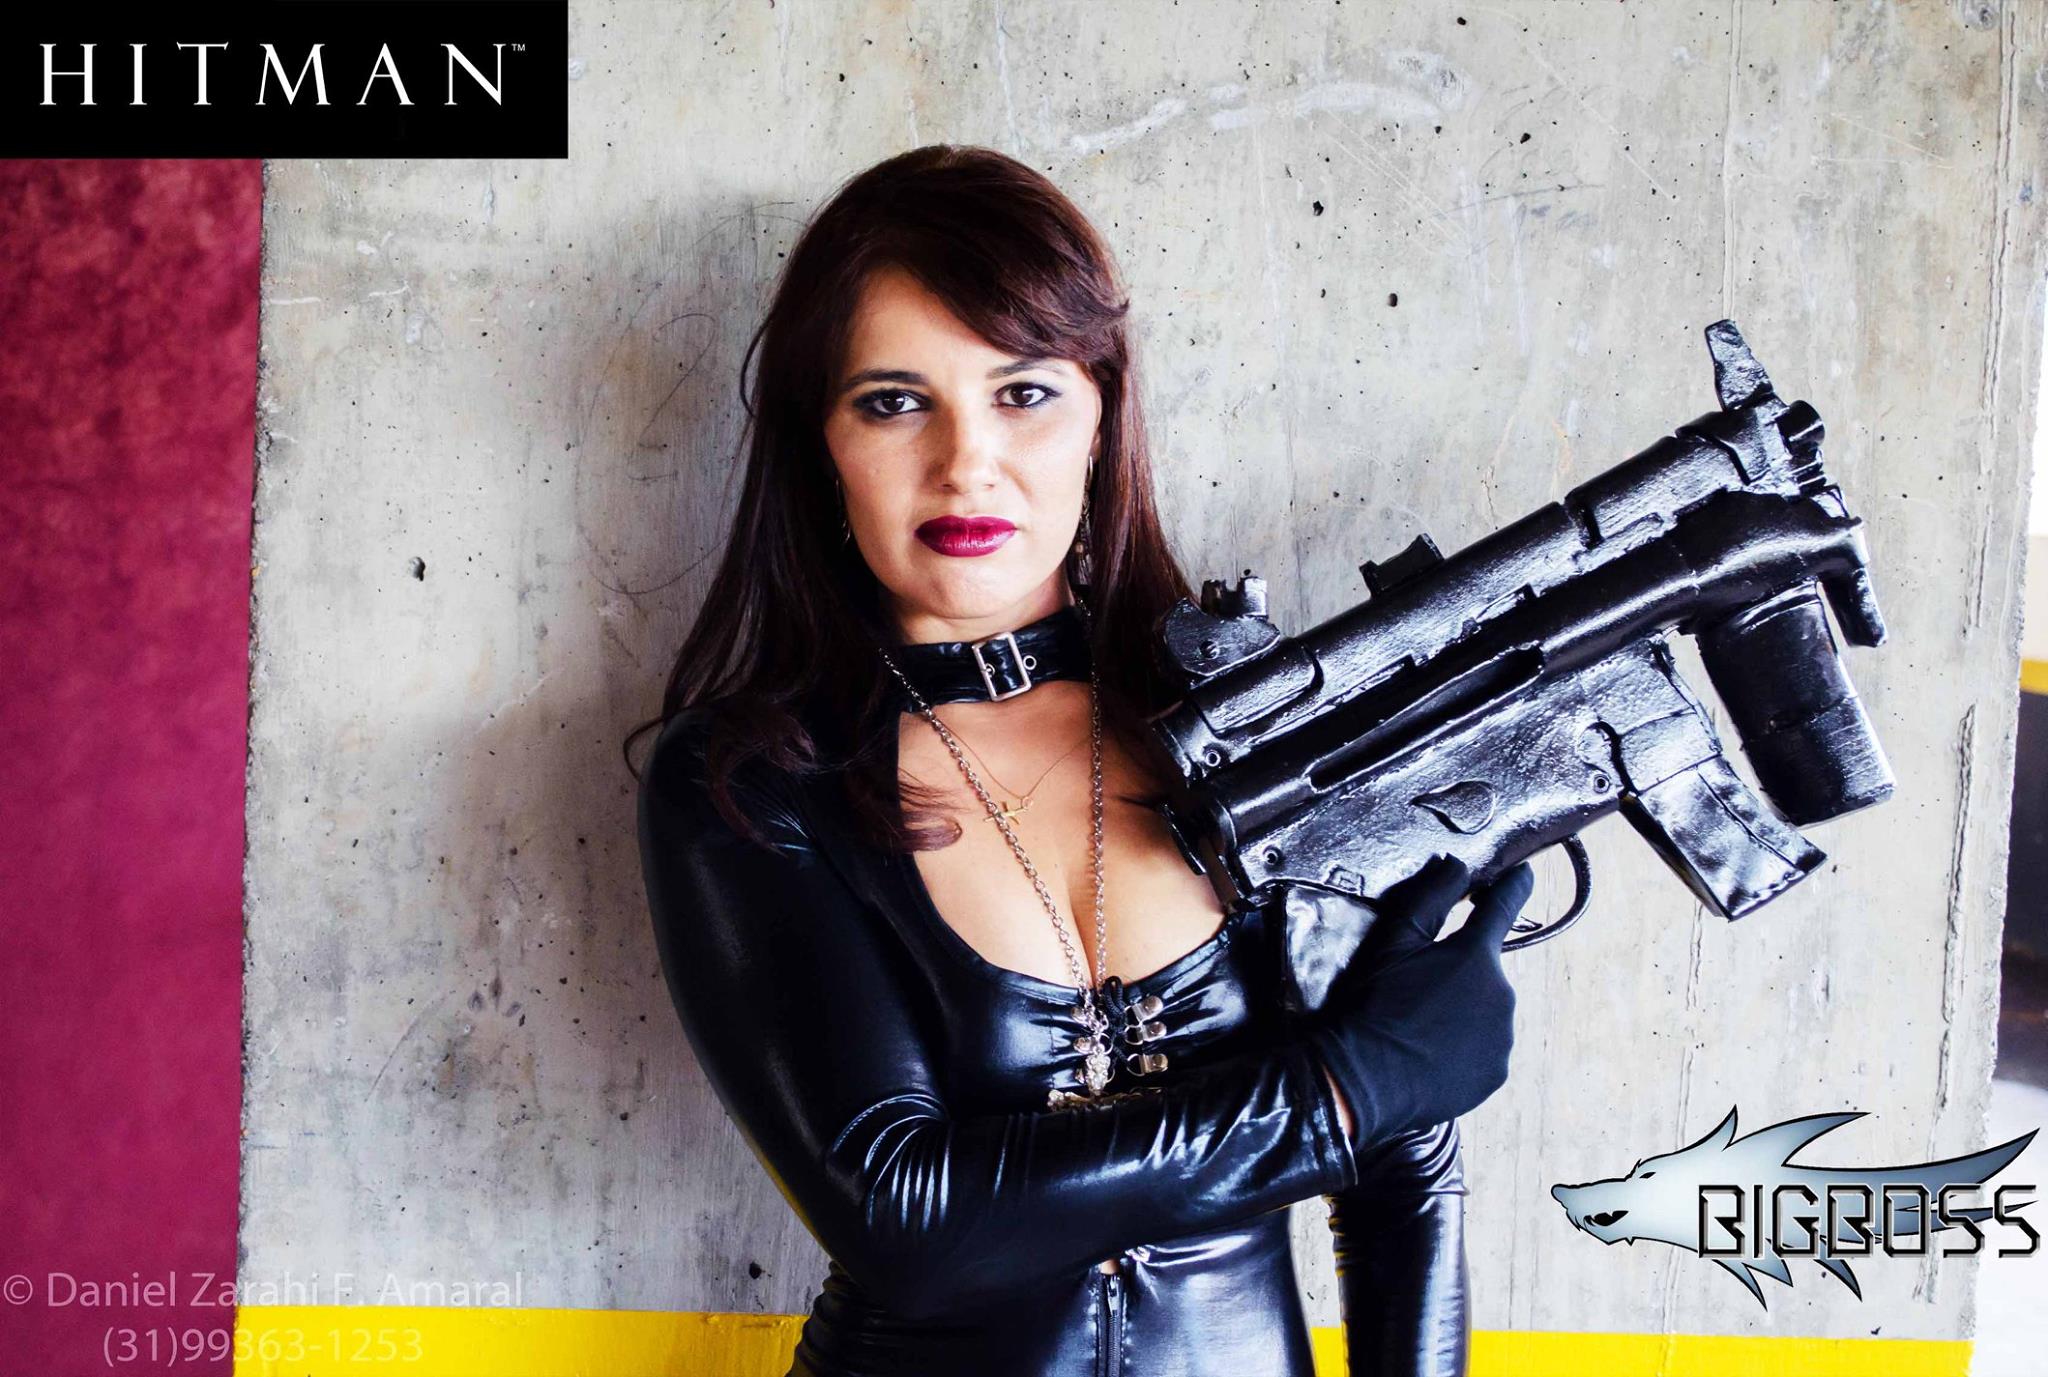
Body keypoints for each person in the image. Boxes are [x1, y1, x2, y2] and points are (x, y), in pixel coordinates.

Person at [628, 144, 1533, 1377]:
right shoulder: (748, 780)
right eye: (892, 402)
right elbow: (903, 1218)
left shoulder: (1259, 732)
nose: (965, 462)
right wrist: (1333, 1098)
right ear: (819, 444)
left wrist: (1371, 1093)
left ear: (1103, 416)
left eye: (1023, 392)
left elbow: (1403, 1186)